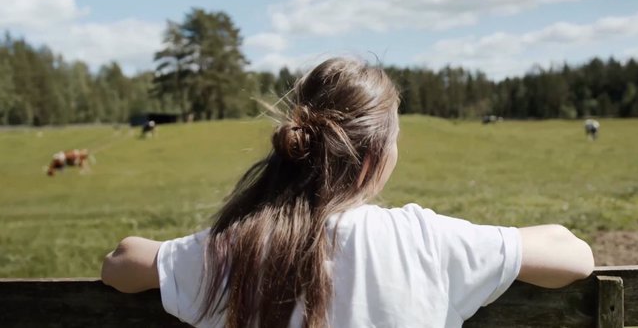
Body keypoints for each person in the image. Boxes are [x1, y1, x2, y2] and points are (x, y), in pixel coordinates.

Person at [101, 58, 594, 327]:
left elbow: (121, 263)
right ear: (377, 156)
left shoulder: (235, 248)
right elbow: (575, 256)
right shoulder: (423, 240)